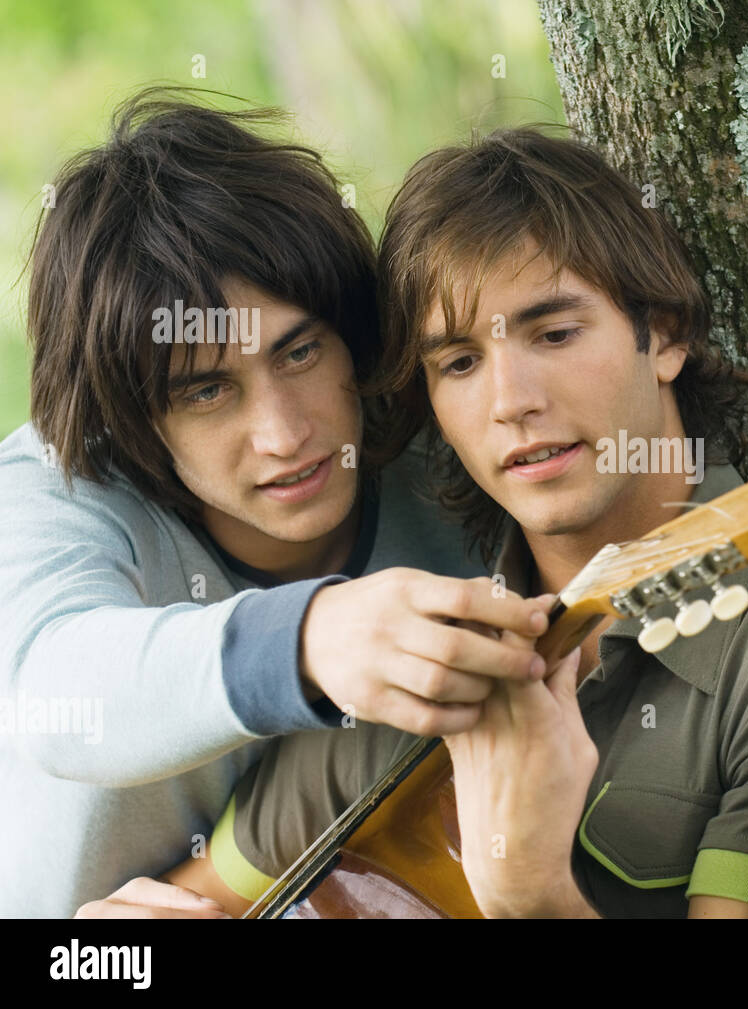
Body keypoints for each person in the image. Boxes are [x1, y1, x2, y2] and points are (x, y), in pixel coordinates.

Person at [109, 127, 748, 919]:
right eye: (458, 362)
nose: (510, 400)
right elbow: (181, 906)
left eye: (553, 333)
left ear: (664, 334)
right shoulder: (415, 642)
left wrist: (531, 894)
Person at [0, 90, 555, 918]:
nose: (284, 433)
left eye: (299, 351)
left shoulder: (440, 429)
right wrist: (312, 637)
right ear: (132, 417)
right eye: (208, 390)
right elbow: (51, 690)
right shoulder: (56, 479)